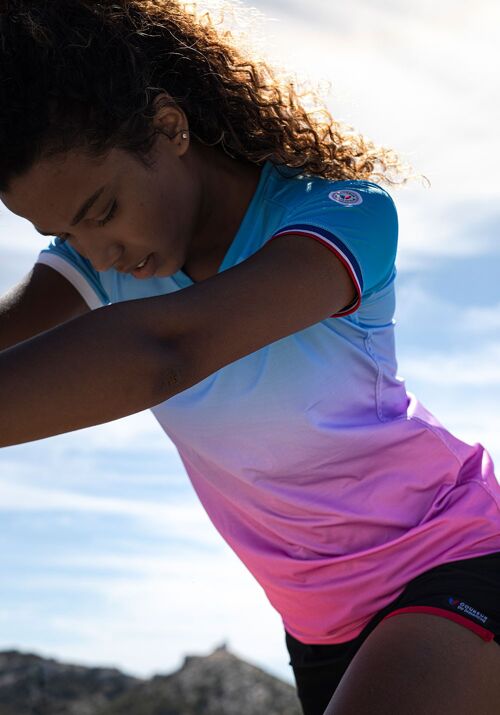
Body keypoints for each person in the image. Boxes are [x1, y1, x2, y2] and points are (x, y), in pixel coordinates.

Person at [1, 1, 499, 713]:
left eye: (102, 210)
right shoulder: (103, 262)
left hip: (450, 553)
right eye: (64, 232)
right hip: (318, 623)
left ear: (169, 128)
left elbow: (166, 349)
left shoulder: (335, 214)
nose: (95, 248)